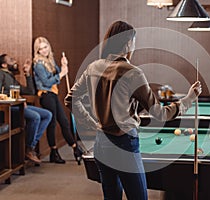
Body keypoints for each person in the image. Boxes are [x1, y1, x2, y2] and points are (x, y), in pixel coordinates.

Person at [65, 21, 202, 200]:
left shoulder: (93, 67)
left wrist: (92, 123)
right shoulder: (133, 73)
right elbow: (159, 114)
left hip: (101, 143)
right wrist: (189, 98)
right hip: (125, 144)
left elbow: (71, 99)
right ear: (128, 43)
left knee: (111, 196)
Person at [32, 36, 83, 164]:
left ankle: (75, 147)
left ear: (49, 46)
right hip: (46, 95)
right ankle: (54, 152)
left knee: (64, 121)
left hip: (53, 94)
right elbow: (47, 82)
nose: (44, 50)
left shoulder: (50, 60)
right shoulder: (38, 64)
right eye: (40, 49)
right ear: (37, 51)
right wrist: (61, 74)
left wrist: (63, 66)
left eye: (45, 47)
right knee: (53, 123)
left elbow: (58, 74)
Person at [0, 54, 52, 164]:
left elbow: (29, 91)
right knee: (35, 117)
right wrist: (17, 99)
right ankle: (29, 148)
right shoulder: (1, 75)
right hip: (9, 108)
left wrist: (27, 74)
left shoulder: (11, 77)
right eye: (11, 60)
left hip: (19, 106)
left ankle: (30, 146)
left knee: (47, 114)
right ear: (4, 65)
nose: (14, 61)